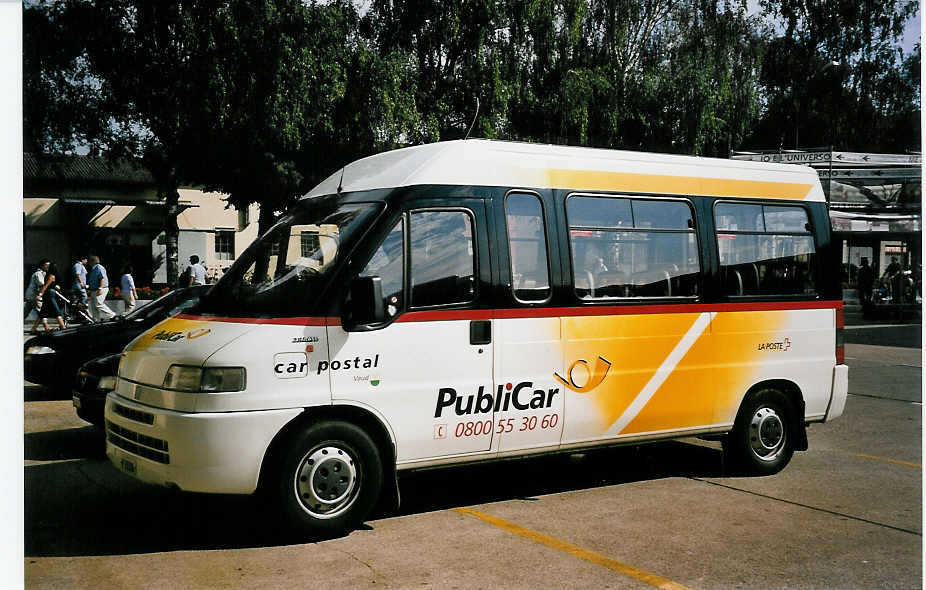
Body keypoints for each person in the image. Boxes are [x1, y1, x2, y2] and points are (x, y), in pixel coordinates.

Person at [30, 263, 67, 333]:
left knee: (43, 312)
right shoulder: (54, 276)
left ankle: (33, 329)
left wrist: (40, 294)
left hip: (49, 294)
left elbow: (45, 286)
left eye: (48, 267)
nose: (47, 268)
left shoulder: (51, 276)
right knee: (54, 310)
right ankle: (63, 326)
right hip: (50, 294)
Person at [87, 255, 115, 321]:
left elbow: (102, 278)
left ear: (93, 261)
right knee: (93, 306)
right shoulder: (94, 269)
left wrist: (100, 288)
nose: (89, 263)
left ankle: (111, 314)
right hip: (94, 290)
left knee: (98, 303)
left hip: (101, 288)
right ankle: (96, 319)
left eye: (89, 261)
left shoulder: (99, 268)